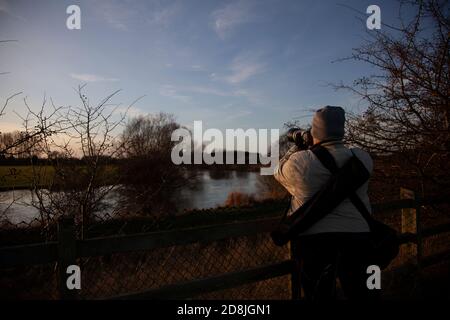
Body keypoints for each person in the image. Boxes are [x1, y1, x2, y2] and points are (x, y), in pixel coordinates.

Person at [274, 106, 378, 301]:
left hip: (314, 242)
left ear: (315, 132)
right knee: (364, 295)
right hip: (359, 238)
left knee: (318, 296)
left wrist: (298, 144)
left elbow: (277, 171)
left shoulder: (300, 161)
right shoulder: (362, 158)